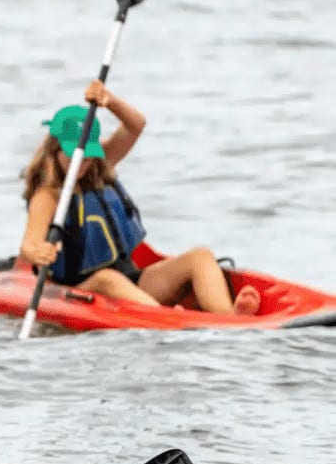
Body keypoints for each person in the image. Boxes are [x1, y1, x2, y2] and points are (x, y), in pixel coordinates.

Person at [19, 79, 261, 315]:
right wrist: (40, 252)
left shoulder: (100, 167)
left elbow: (135, 125)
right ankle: (166, 318)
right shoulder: (47, 195)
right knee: (107, 279)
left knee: (200, 256)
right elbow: (29, 245)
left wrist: (110, 101)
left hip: (130, 279)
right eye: (74, 156)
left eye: (87, 156)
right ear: (54, 150)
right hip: (81, 289)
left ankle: (230, 316)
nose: (82, 163)